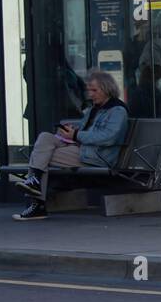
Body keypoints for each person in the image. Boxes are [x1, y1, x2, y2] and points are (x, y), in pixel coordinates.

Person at [9, 69, 128, 221]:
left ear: (106, 89)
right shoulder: (94, 109)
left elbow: (108, 138)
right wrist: (71, 131)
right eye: (89, 90)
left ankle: (36, 202)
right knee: (45, 138)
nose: (90, 94)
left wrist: (76, 135)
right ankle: (35, 184)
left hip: (97, 155)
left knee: (40, 157)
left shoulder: (117, 110)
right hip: (82, 148)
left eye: (94, 90)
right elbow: (86, 131)